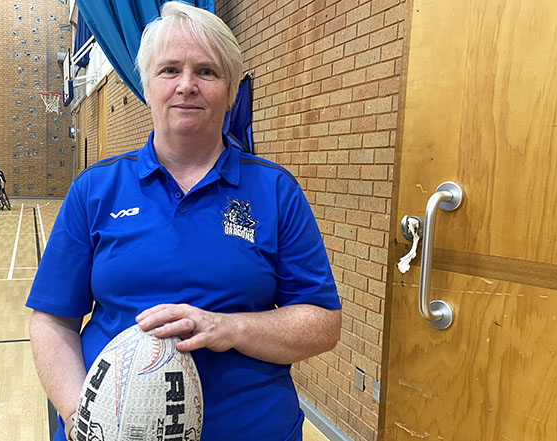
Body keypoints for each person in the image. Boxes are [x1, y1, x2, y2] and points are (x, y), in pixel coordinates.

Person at [26, 3, 342, 441]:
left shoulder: (274, 190)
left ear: (231, 91)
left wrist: (227, 327)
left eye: (207, 72)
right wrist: (77, 413)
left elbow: (322, 323)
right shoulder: (95, 190)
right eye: (170, 70)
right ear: (147, 85)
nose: (187, 86)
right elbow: (51, 319)